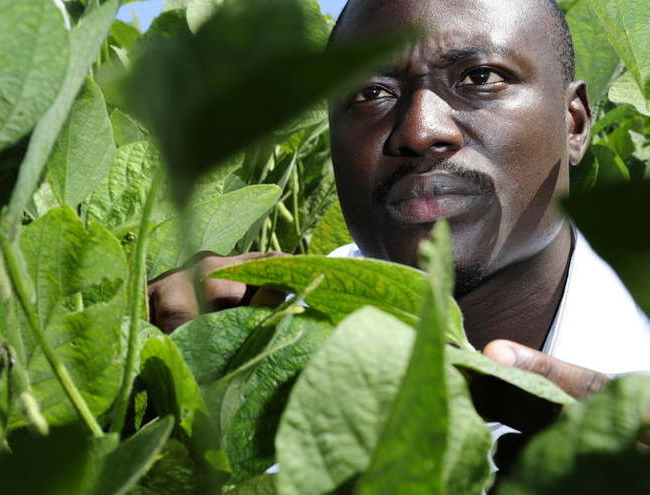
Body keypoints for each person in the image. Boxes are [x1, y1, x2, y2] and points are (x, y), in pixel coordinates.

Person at [149, 0, 650, 446]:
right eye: (371, 92)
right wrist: (147, 401)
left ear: (575, 123)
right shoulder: (250, 358)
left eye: (479, 77)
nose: (419, 130)